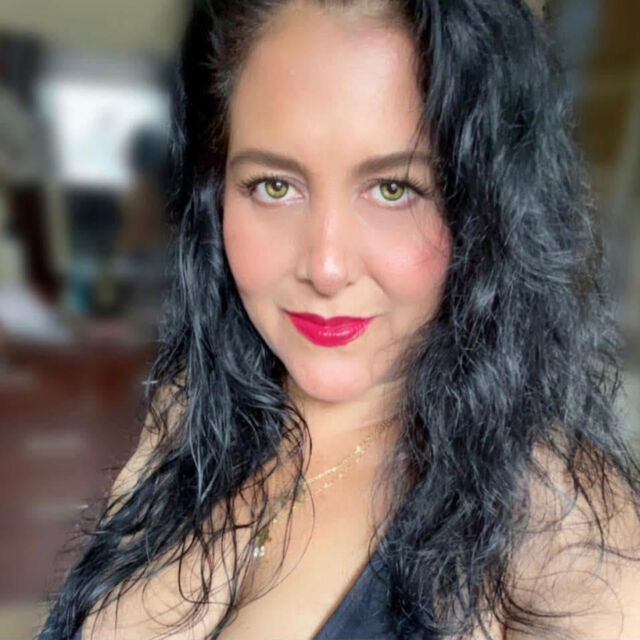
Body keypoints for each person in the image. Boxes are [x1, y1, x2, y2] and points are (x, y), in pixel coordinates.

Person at [37, 1, 640, 639]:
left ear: (486, 208)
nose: (326, 267)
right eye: (274, 185)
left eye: (394, 189)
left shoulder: (568, 536)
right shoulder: (190, 416)